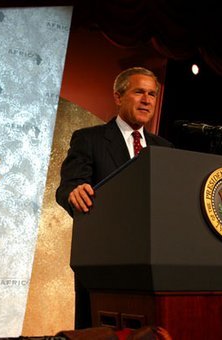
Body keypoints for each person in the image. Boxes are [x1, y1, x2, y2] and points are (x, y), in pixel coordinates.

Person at [55, 67, 174, 328]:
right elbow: (68, 187)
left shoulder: (165, 148)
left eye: (152, 94)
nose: (147, 100)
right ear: (118, 97)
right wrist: (74, 193)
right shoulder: (89, 139)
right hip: (103, 264)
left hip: (154, 265)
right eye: (139, 92)